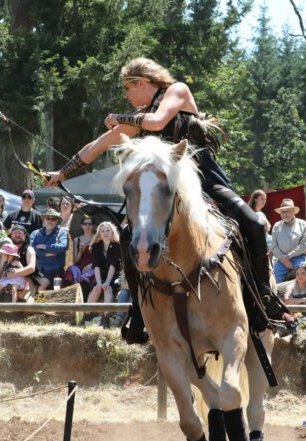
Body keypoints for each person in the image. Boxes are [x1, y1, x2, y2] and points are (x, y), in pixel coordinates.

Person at [45, 56, 293, 342]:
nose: (127, 97)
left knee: (251, 222)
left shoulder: (176, 91)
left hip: (203, 179)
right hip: (164, 189)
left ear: (141, 82)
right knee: (128, 234)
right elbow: (98, 145)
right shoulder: (142, 115)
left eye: (128, 89)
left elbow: (158, 121)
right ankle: (138, 309)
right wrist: (61, 174)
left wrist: (120, 118)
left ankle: (264, 293)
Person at [270, 199, 306, 283]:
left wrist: (288, 257)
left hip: (299, 257)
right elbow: (273, 247)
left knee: (301, 277)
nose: (285, 214)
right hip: (281, 259)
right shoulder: (276, 226)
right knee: (276, 278)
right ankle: (280, 296)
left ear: (293, 211)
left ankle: (303, 295)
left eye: (287, 211)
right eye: (282, 212)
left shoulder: (303, 224)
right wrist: (284, 260)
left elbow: (304, 245)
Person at [29, 208, 69, 291]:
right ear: (44, 219)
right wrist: (47, 254)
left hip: (55, 270)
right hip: (38, 269)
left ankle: (34, 303)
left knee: (41, 286)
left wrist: (45, 247)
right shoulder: (35, 233)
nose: (50, 221)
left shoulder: (62, 233)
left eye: (53, 219)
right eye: (48, 218)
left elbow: (63, 247)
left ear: (57, 221)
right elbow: (33, 250)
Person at [87, 222, 122, 308]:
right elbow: (96, 266)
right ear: (99, 233)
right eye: (102, 231)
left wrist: (107, 282)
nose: (105, 233)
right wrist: (99, 282)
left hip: (114, 275)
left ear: (112, 232)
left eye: (108, 231)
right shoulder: (96, 246)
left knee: (108, 288)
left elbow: (113, 265)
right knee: (96, 288)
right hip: (100, 274)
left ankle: (106, 315)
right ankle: (86, 314)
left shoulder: (117, 246)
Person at [62, 217, 96, 291]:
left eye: (90, 224)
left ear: (93, 226)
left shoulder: (97, 238)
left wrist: (91, 265)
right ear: (81, 225)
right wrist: (81, 251)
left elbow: (99, 257)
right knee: (69, 275)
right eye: (85, 224)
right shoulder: (76, 239)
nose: (87, 226)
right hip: (79, 265)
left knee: (88, 278)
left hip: (92, 265)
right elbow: (75, 260)